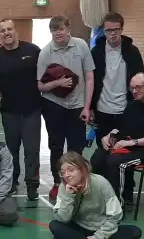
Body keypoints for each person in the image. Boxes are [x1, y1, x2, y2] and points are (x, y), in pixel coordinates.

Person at [37, 15, 95, 201]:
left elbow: (90, 78)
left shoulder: (81, 46)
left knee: (76, 147)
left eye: (61, 29)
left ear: (68, 28)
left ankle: (77, 183)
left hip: (77, 105)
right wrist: (58, 82)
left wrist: (87, 107)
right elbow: (40, 86)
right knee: (55, 145)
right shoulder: (46, 52)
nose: (57, 33)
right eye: (54, 30)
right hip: (54, 105)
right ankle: (58, 183)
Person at [93, 73, 144, 204]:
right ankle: (104, 198)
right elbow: (120, 127)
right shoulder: (132, 106)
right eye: (132, 88)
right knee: (98, 157)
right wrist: (108, 136)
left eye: (138, 87)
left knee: (115, 161)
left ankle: (117, 204)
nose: (134, 91)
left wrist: (132, 142)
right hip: (130, 148)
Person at [0, 18, 42, 200]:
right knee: (11, 150)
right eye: (2, 30)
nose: (6, 33)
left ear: (15, 30)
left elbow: (44, 75)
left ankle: (32, 184)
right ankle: (11, 183)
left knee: (31, 150)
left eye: (9, 29)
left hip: (32, 110)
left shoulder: (33, 50)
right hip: (9, 111)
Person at [90, 13, 144, 165]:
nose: (112, 33)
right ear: (104, 31)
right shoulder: (96, 53)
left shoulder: (133, 52)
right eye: (108, 30)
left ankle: (126, 188)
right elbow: (90, 82)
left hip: (125, 110)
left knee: (123, 154)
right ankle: (104, 186)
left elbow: (139, 80)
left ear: (121, 29)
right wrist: (91, 107)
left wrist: (137, 105)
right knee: (102, 153)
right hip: (102, 110)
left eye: (116, 29)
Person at [50, 152, 142, 239]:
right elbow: (63, 219)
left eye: (71, 170)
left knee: (134, 231)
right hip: (78, 228)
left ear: (83, 169)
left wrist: (98, 236)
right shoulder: (64, 186)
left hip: (101, 228)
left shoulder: (101, 182)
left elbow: (115, 216)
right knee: (55, 225)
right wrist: (69, 196)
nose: (66, 175)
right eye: (63, 172)